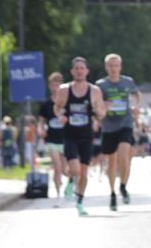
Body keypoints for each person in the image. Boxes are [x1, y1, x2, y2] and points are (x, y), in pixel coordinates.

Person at [54, 56, 107, 216]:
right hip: (70, 134)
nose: (79, 71)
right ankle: (70, 181)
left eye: (82, 68)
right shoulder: (64, 90)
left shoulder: (94, 91)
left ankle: (80, 202)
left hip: (87, 135)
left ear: (87, 71)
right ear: (72, 71)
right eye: (76, 68)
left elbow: (102, 112)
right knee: (75, 168)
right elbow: (57, 108)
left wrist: (99, 113)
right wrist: (60, 116)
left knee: (84, 172)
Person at [96, 53, 142, 211]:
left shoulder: (128, 81)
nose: (114, 68)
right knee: (111, 163)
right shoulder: (100, 85)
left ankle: (123, 186)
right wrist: (103, 105)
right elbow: (95, 104)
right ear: (106, 67)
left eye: (116, 65)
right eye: (110, 65)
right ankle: (112, 193)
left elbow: (137, 95)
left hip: (125, 123)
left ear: (120, 67)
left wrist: (136, 106)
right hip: (109, 126)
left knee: (124, 155)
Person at [39, 72, 73, 205]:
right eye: (52, 85)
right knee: (57, 167)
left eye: (57, 85)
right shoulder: (46, 104)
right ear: (49, 86)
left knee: (66, 169)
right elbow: (41, 120)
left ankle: (70, 186)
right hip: (52, 139)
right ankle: (58, 194)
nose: (55, 88)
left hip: (66, 138)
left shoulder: (67, 102)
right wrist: (41, 128)